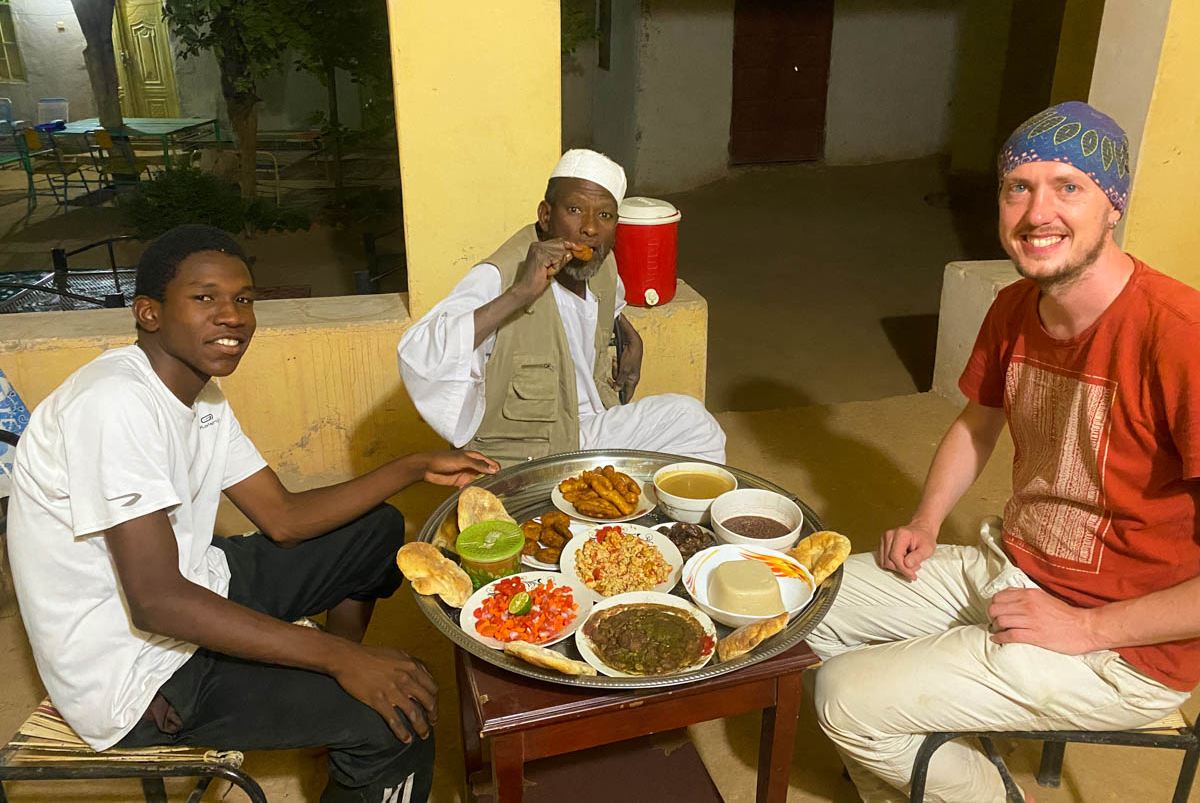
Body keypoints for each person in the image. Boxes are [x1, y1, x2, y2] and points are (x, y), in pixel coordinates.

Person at [7, 225, 499, 803]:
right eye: (204, 298)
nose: (233, 316)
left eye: (243, 299)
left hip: (200, 587)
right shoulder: (114, 406)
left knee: (378, 531)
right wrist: (342, 659)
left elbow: (283, 516)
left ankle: (330, 715)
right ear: (149, 313)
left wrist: (411, 466)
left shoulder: (201, 393)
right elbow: (157, 601)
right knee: (399, 716)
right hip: (138, 672)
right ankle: (351, 715)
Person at [806, 102, 1200, 803]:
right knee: (804, 604)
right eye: (1018, 187)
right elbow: (977, 422)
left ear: (1114, 205)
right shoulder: (1016, 305)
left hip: (1123, 649)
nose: (1035, 211)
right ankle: (927, 747)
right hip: (1013, 567)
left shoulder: (1180, 337)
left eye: (1067, 187)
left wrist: (1086, 626)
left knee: (842, 697)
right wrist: (927, 520)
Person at [398, 148, 726, 467]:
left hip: (591, 425)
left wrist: (632, 335)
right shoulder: (499, 276)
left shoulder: (603, 264)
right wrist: (519, 294)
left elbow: (603, 305)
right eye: (574, 210)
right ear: (545, 215)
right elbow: (421, 354)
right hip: (529, 454)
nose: (590, 227)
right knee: (691, 419)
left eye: (604, 215)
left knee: (692, 432)